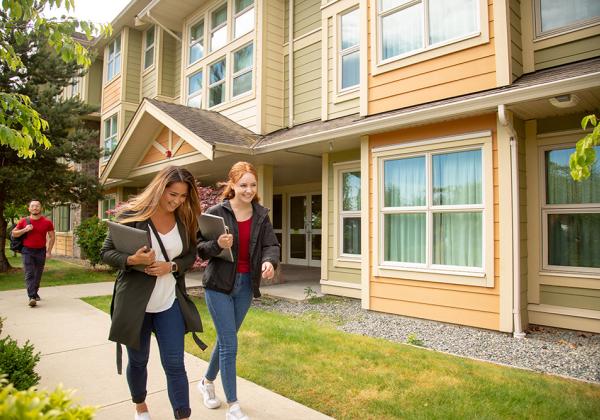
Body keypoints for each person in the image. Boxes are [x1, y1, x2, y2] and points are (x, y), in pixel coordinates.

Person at [101, 166, 206, 420]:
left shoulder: (184, 219)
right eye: (172, 194)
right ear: (160, 187)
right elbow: (106, 252)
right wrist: (132, 259)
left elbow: (191, 254)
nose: (177, 201)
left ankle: (182, 415)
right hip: (136, 307)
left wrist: (171, 266)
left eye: (182, 196)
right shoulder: (132, 213)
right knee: (138, 361)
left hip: (169, 303)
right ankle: (140, 407)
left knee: (174, 364)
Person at [197, 161, 280, 420]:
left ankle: (206, 382)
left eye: (252, 185)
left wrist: (269, 261)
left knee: (225, 339)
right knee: (230, 344)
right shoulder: (216, 212)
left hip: (245, 285)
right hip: (219, 285)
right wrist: (217, 244)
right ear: (232, 185)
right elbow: (200, 248)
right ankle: (233, 405)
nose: (248, 190)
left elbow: (271, 244)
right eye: (243, 184)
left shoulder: (260, 215)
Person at [11, 200, 55, 307]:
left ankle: (35, 292)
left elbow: (52, 237)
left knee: (38, 274)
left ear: (41, 208)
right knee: (29, 273)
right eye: (33, 206)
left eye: (37, 206)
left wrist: (49, 251)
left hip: (41, 251)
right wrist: (25, 230)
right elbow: (14, 234)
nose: (35, 208)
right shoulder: (23, 221)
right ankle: (31, 297)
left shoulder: (47, 222)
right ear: (29, 209)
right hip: (27, 251)